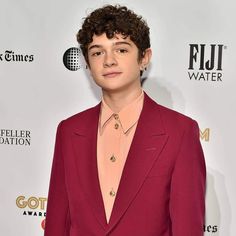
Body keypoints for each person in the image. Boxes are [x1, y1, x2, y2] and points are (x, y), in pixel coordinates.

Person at [44, 4, 206, 236]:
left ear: (144, 58)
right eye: (97, 52)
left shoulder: (180, 131)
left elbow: (187, 228)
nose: (108, 60)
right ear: (88, 65)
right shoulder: (69, 131)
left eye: (121, 50)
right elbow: (57, 223)